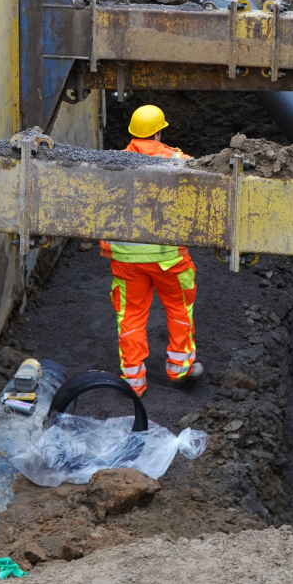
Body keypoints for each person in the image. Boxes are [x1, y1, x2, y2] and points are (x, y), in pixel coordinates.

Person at [99, 106, 202, 395]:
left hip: (125, 260)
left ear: (131, 133)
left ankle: (134, 380)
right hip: (168, 258)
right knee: (179, 308)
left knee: (129, 316)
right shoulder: (178, 160)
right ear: (159, 132)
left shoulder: (111, 162)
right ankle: (179, 368)